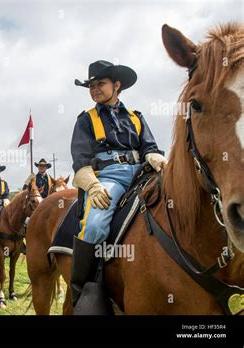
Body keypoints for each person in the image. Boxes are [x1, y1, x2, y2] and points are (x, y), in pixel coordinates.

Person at [70, 60, 167, 314]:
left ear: (117, 85)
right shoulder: (86, 120)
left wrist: (155, 157)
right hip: (108, 177)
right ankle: (83, 293)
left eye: (100, 83)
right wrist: (92, 185)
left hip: (141, 173)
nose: (94, 89)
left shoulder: (136, 117)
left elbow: (149, 146)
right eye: (91, 85)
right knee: (94, 225)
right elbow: (79, 160)